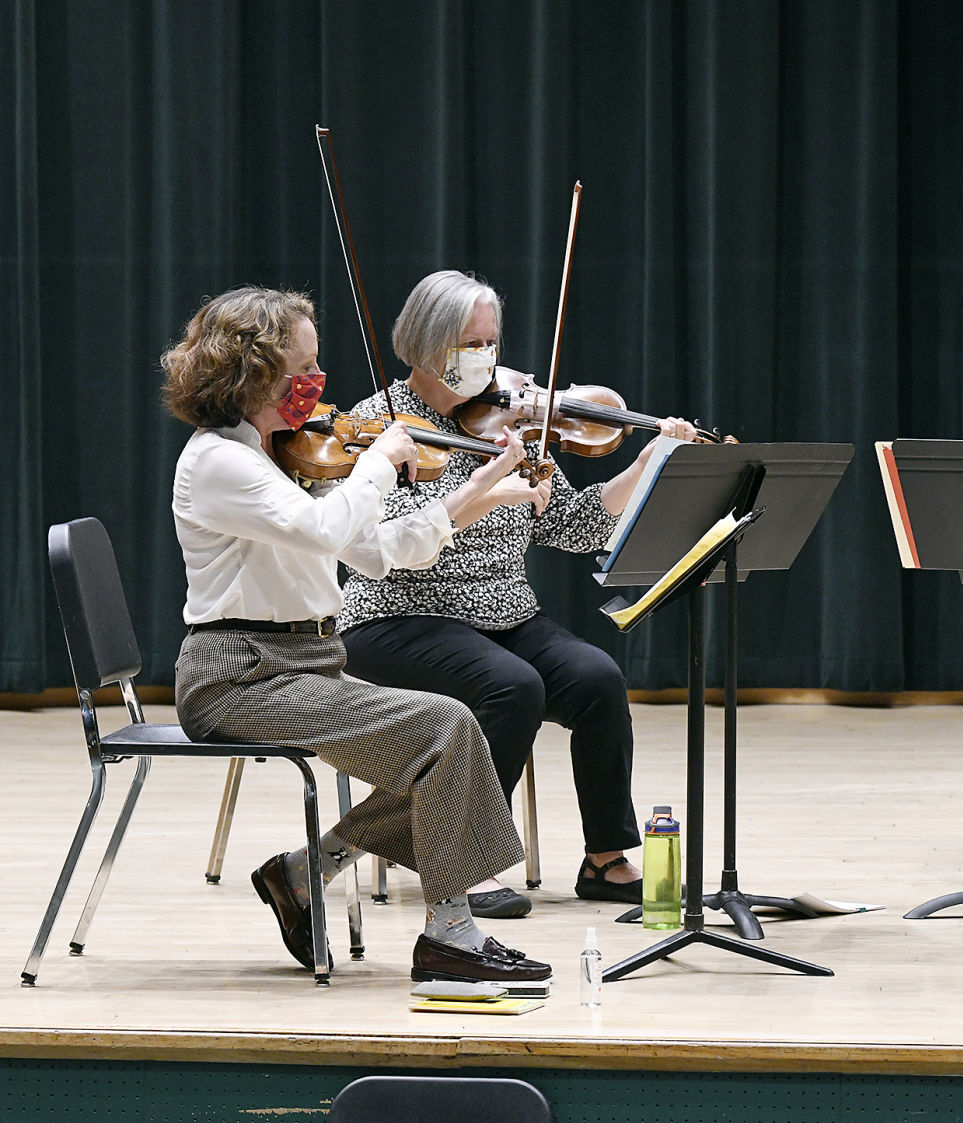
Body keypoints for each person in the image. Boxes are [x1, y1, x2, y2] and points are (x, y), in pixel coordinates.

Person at [165, 286, 551, 986]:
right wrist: (379, 462)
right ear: (251, 367)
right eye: (302, 366)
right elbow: (325, 529)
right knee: (448, 726)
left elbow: (376, 550)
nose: (317, 382)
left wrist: (482, 491)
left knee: (443, 751)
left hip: (304, 660)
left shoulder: (281, 454)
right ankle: (451, 935)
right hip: (238, 675)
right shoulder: (218, 461)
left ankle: (307, 871)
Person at [337, 270, 699, 918]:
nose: (487, 357)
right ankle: (459, 858)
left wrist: (648, 462)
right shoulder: (379, 426)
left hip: (503, 612)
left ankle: (606, 857)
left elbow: (576, 522)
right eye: (469, 342)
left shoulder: (515, 417)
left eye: (491, 341)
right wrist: (489, 484)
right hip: (399, 614)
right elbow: (393, 541)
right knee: (512, 686)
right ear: (426, 343)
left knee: (597, 678)